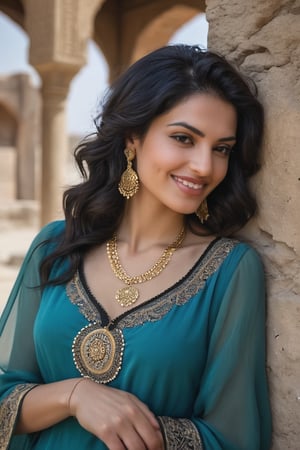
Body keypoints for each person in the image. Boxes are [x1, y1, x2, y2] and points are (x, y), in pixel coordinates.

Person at [0, 44, 271, 450]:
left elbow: (235, 437)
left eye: (221, 149)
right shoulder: (56, 246)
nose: (204, 166)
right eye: (183, 138)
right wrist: (74, 396)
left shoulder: (229, 270)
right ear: (132, 138)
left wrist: (138, 426)